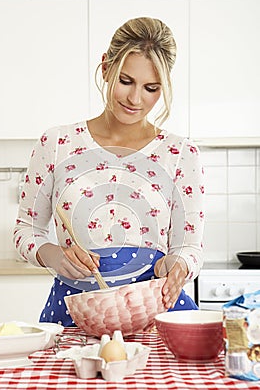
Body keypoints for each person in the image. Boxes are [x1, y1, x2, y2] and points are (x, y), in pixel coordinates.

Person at [14, 17, 205, 326]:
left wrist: (178, 264)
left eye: (151, 88)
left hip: (156, 315)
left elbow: (189, 246)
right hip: (75, 313)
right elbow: (25, 230)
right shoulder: (58, 143)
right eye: (125, 81)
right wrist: (55, 257)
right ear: (105, 68)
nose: (135, 99)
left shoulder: (180, 154)